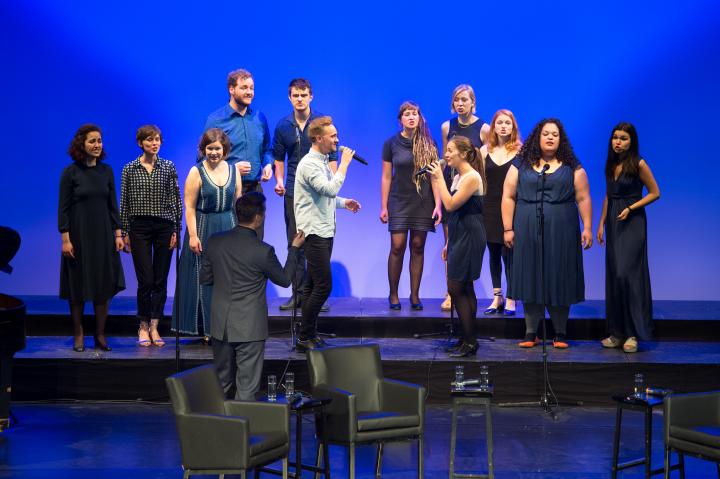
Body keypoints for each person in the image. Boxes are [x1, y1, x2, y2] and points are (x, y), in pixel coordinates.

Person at [200, 192, 304, 400]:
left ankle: (214, 428)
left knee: (220, 384)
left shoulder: (215, 242)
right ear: (258, 217)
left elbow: (206, 278)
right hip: (249, 328)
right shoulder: (263, 251)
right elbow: (284, 279)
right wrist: (294, 249)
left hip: (220, 325)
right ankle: (240, 430)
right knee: (246, 387)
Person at [502, 119, 592, 349]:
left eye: (555, 134)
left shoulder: (572, 166)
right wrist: (508, 228)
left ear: (561, 139)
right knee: (530, 275)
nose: (550, 137)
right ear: (537, 137)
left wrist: (588, 227)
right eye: (546, 134)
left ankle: (560, 332)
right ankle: (531, 331)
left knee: (559, 275)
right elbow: (508, 196)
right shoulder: (520, 164)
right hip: (526, 225)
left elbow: (583, 197)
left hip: (562, 228)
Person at [293, 116, 361, 351]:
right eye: (333, 136)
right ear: (318, 138)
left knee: (313, 285)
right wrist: (343, 165)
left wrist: (345, 203)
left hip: (324, 229)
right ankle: (304, 335)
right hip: (314, 232)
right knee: (323, 285)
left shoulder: (320, 161)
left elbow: (324, 196)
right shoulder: (310, 163)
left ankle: (309, 334)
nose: (337, 139)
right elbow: (329, 188)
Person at [59, 124, 125, 352]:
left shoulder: (106, 171)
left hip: (103, 234)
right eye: (92, 141)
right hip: (78, 234)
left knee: (102, 284)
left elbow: (112, 205)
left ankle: (100, 334)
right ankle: (78, 333)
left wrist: (118, 234)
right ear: (81, 144)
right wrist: (65, 239)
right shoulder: (71, 172)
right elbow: (63, 208)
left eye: (99, 141)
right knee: (77, 286)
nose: (97, 145)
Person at [172, 128, 242, 341]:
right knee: (204, 279)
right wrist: (193, 236)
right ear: (203, 150)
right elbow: (190, 207)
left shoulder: (234, 170)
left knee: (227, 279)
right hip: (204, 228)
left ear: (225, 150)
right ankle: (207, 329)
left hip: (228, 226)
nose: (213, 152)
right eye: (209, 148)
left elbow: (238, 203)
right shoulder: (197, 172)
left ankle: (227, 327)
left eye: (217, 148)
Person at [272, 78, 336, 312]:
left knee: (319, 243)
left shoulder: (322, 123)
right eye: (295, 95)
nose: (300, 99)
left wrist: (330, 184)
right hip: (293, 191)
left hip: (318, 191)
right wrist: (279, 182)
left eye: (304, 95)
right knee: (296, 241)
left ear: (311, 96)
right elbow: (279, 159)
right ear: (290, 98)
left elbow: (333, 157)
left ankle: (318, 293)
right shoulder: (282, 126)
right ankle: (298, 294)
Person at [597, 122, 660, 353]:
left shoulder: (639, 164)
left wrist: (632, 208)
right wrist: (602, 222)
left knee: (627, 274)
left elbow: (655, 192)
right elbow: (608, 195)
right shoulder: (611, 163)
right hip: (614, 220)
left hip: (632, 221)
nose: (618, 142)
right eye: (615, 137)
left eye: (623, 138)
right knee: (614, 275)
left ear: (631, 141)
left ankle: (633, 333)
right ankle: (617, 332)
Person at [120, 125, 182, 348]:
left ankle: (155, 325)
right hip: (140, 227)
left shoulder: (168, 166)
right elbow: (124, 202)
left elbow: (176, 200)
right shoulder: (129, 168)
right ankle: (143, 324)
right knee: (145, 279)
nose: (154, 144)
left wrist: (177, 229)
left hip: (164, 226)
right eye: (149, 140)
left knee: (160, 278)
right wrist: (125, 231)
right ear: (140, 143)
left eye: (157, 140)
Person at [427, 136, 487, 357]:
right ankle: (467, 338)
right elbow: (454, 217)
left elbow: (451, 205)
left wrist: (437, 179)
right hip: (459, 234)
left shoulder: (472, 177)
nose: (446, 154)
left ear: (463, 153)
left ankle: (470, 341)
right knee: (464, 287)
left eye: (451, 150)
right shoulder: (459, 177)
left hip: (471, 235)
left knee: (456, 287)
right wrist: (448, 242)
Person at [381, 101, 442, 310]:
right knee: (397, 246)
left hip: (423, 201)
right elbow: (386, 177)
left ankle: (415, 295)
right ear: (400, 120)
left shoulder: (429, 144)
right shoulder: (391, 144)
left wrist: (438, 205)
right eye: (407, 114)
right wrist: (383, 206)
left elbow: (435, 177)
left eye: (415, 113)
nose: (411, 117)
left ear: (419, 118)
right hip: (398, 200)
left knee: (418, 246)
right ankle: (393, 294)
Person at [438, 84, 490, 311]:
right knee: (450, 243)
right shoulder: (447, 126)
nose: (460, 104)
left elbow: (484, 161)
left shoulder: (484, 128)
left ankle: (460, 289)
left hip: (470, 188)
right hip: (452, 184)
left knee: (464, 244)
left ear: (473, 102)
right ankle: (451, 291)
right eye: (456, 100)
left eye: (464, 100)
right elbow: (445, 158)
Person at [204, 68, 273, 239]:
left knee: (255, 244)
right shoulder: (216, 120)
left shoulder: (259, 118)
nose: (249, 92)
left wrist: (268, 164)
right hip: (228, 190)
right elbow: (202, 159)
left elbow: (267, 149)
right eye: (244, 88)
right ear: (231, 89)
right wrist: (231, 169)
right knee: (230, 244)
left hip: (254, 190)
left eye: (251, 88)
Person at [479, 110, 522, 316]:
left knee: (509, 254)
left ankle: (512, 296)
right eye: (499, 123)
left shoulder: (521, 152)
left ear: (513, 127)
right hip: (488, 207)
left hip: (512, 208)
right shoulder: (485, 151)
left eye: (508, 123)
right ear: (494, 126)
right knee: (494, 252)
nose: (503, 126)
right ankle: (498, 296)